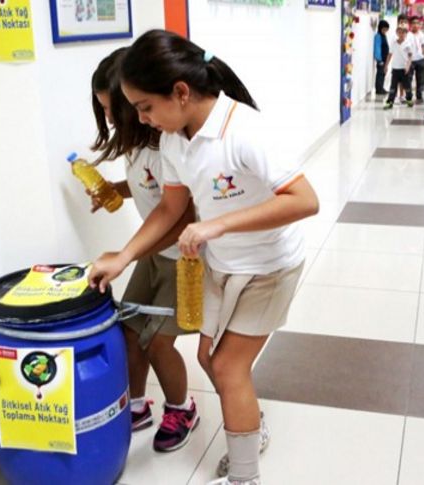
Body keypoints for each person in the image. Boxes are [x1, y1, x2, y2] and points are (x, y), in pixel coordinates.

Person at [89, 30, 320, 485]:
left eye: (144, 107)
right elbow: (171, 209)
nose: (140, 119)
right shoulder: (174, 141)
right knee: (211, 359)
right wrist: (124, 255)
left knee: (229, 366)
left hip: (268, 268)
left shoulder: (244, 130)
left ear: (180, 92)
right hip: (221, 264)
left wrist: (216, 224)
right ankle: (249, 423)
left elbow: (304, 201)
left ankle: (245, 476)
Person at [90, 48, 199, 452]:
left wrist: (126, 255)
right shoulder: (135, 142)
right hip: (152, 254)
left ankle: (181, 408)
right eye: (103, 110)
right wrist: (114, 191)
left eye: (113, 108)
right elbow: (148, 192)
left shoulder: (167, 145)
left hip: (185, 261)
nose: (111, 119)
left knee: (158, 342)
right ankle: (135, 407)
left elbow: (180, 214)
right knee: (128, 331)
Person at [384, 26, 414, 109]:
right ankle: (390, 101)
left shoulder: (408, 44)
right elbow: (390, 55)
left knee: (407, 86)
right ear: (397, 33)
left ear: (406, 34)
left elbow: (410, 56)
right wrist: (386, 66)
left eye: (403, 33)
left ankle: (409, 99)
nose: (401, 34)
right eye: (399, 32)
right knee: (393, 86)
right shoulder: (393, 43)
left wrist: (408, 66)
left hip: (404, 69)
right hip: (395, 68)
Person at [409, 17, 424, 103]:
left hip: (420, 59)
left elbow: (423, 46)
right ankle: (409, 96)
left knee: (420, 79)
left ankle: (419, 96)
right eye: (414, 23)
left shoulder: (422, 35)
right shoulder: (408, 35)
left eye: (417, 23)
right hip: (411, 60)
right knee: (409, 78)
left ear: (419, 25)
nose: (416, 25)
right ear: (411, 25)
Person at [374, 20, 391, 95]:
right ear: (380, 28)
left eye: (386, 29)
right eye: (384, 29)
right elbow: (377, 48)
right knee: (380, 74)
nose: (385, 31)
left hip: (385, 59)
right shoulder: (378, 36)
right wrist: (379, 59)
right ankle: (379, 89)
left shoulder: (384, 35)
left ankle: (381, 88)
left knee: (383, 74)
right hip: (380, 60)